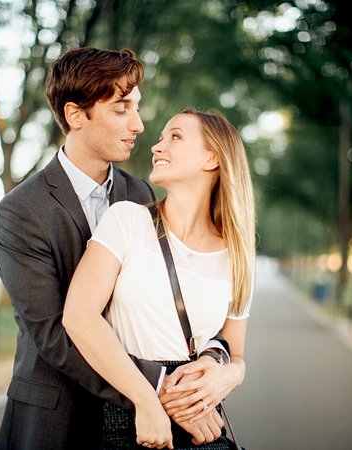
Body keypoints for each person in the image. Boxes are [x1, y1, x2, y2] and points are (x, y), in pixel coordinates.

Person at [0, 47, 227, 449]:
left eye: (136, 107)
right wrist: (158, 390)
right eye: (121, 109)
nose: (137, 124)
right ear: (75, 115)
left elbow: (182, 297)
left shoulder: (141, 194)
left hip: (137, 423)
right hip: (59, 414)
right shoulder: (21, 211)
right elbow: (52, 333)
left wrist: (217, 362)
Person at [63, 108, 256, 449]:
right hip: (131, 416)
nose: (156, 146)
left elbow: (234, 350)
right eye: (161, 137)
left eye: (176, 137)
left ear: (211, 158)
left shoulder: (237, 256)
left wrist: (229, 376)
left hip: (201, 421)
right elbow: (79, 317)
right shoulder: (126, 220)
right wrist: (147, 400)